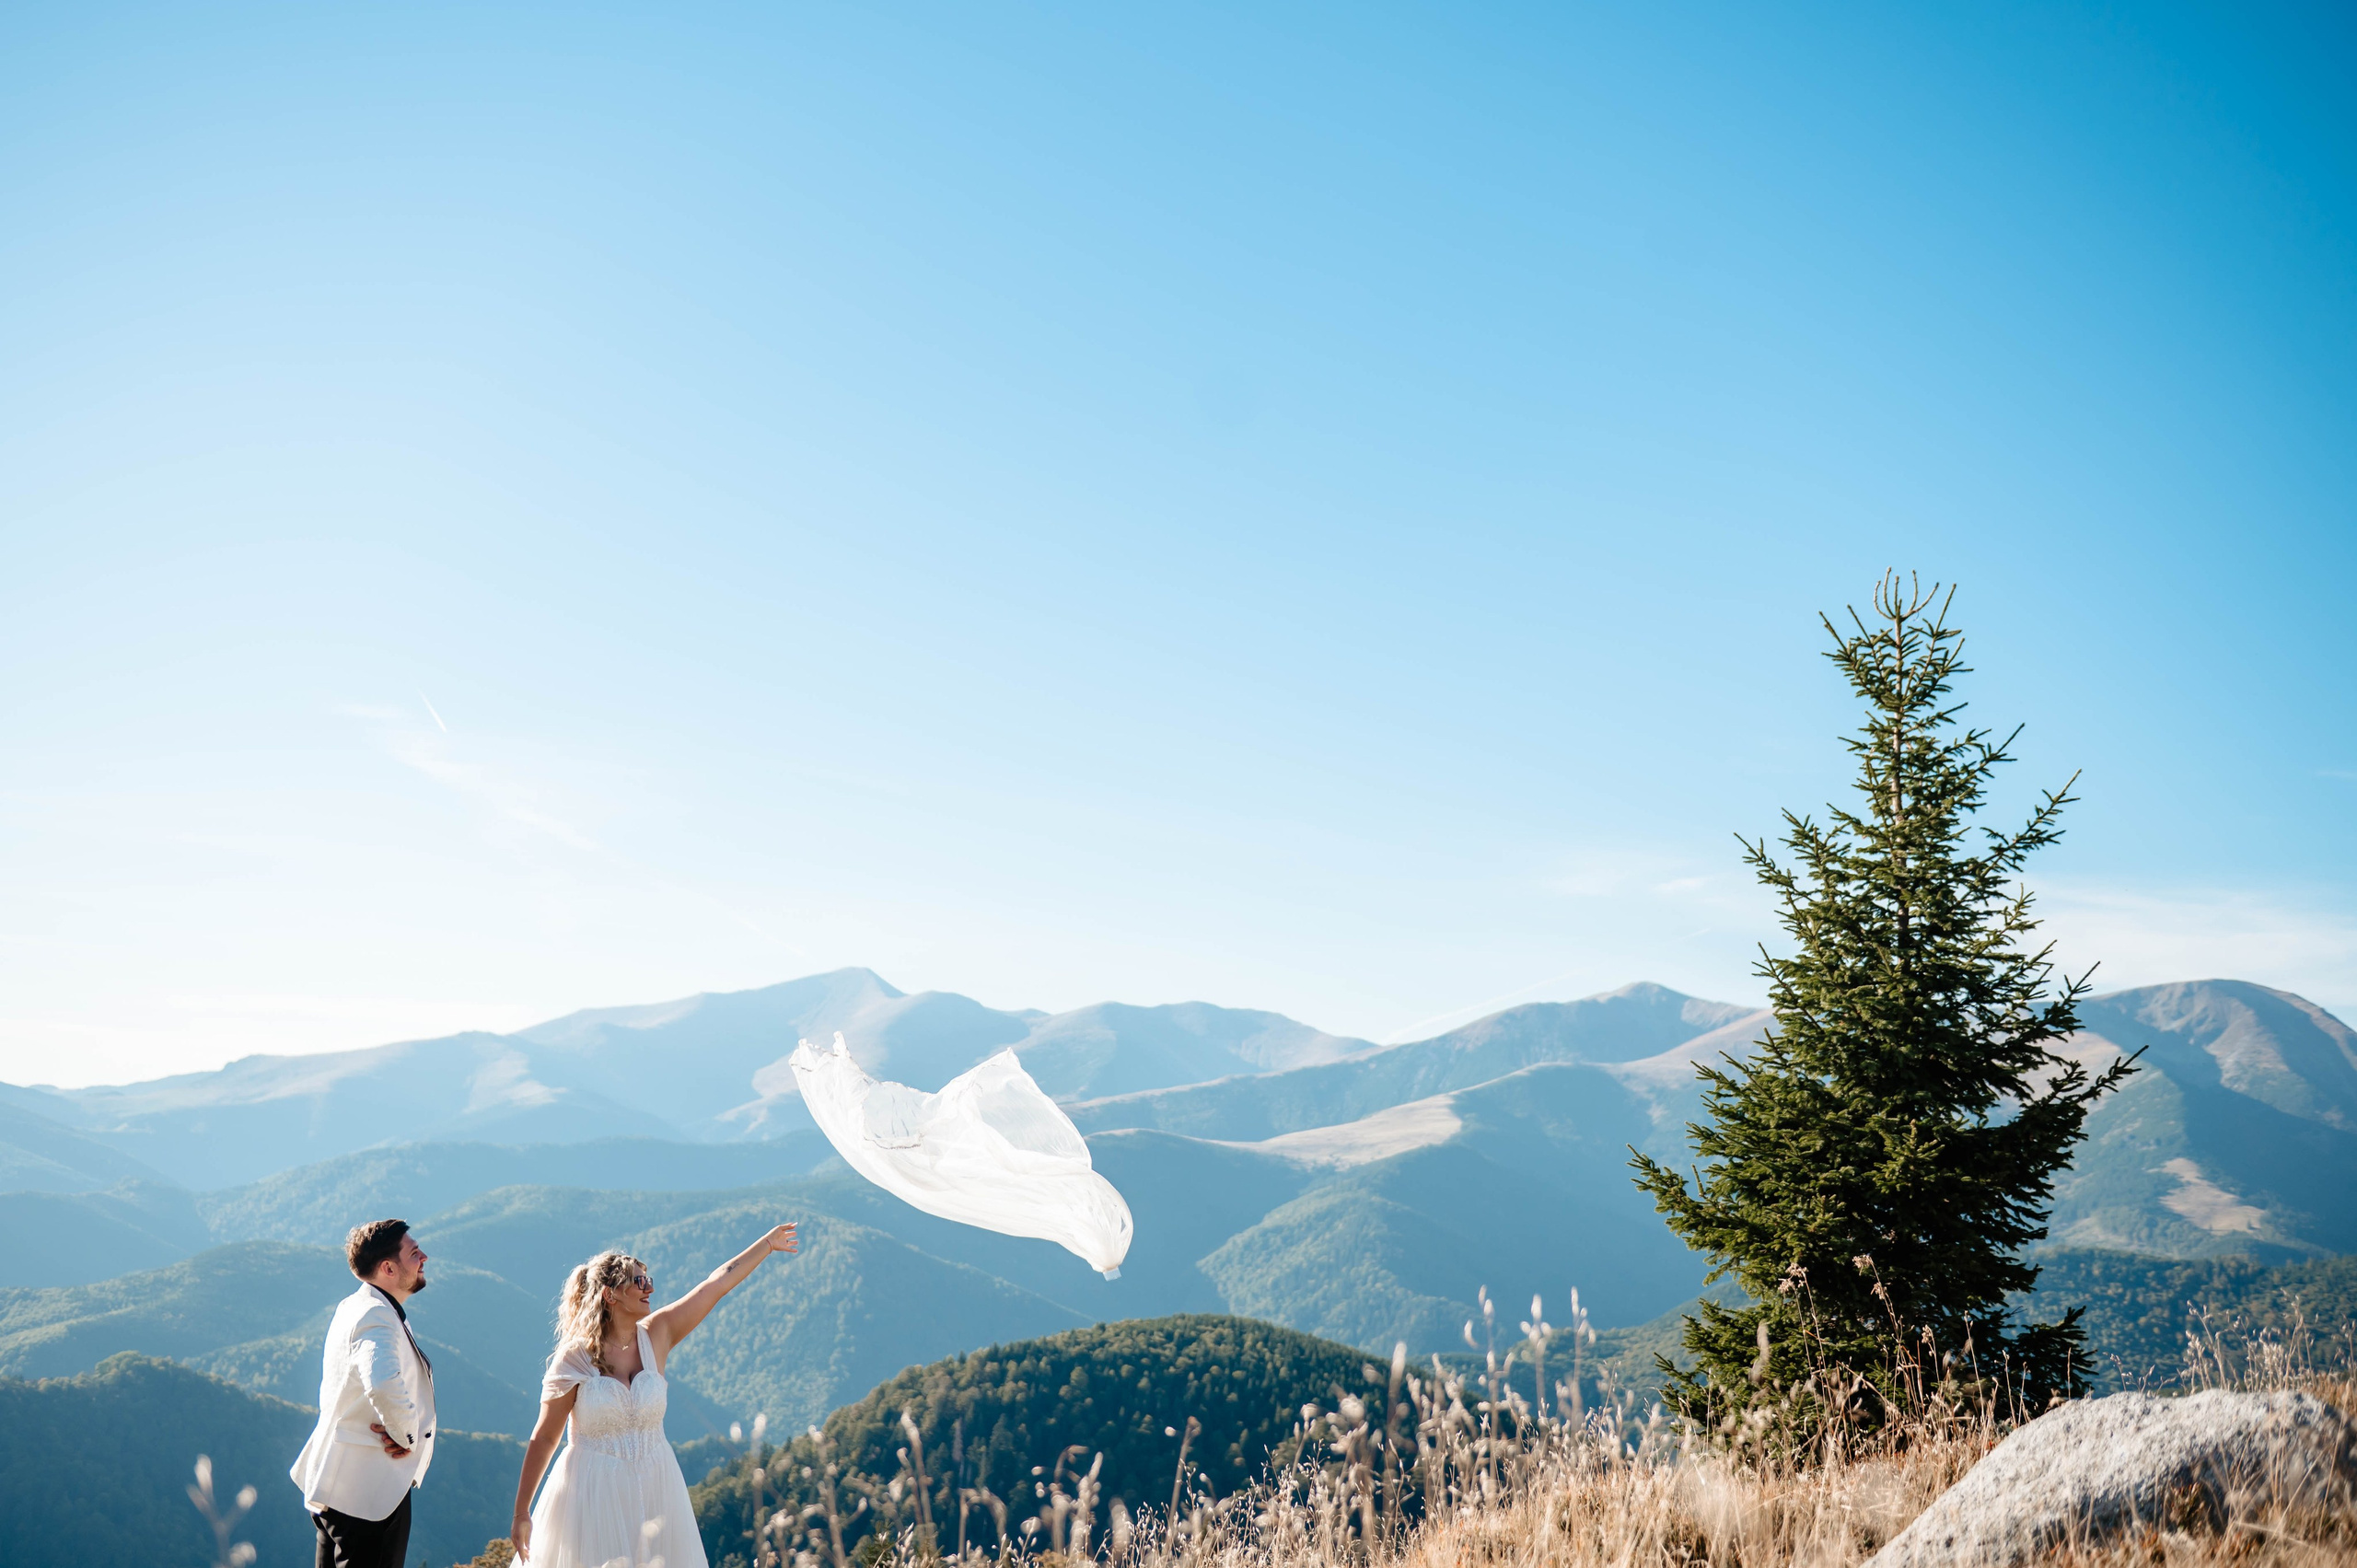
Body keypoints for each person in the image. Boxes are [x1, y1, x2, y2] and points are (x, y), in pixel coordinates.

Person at [511, 1221, 800, 1566]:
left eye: (647, 1279)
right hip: (593, 1494)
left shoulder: (658, 1334)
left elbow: (716, 1285)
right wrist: (522, 1512)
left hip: (658, 1483)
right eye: (638, 1281)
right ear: (611, 1294)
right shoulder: (575, 1358)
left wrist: (767, 1244)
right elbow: (545, 1437)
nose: (649, 1287)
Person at [291, 1218, 438, 1568]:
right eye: (414, 1253)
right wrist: (406, 1436)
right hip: (368, 1489)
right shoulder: (376, 1315)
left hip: (337, 1484)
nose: (424, 1258)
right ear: (388, 1268)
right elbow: (382, 1383)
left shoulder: (355, 1306)